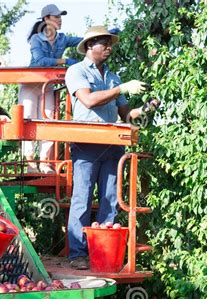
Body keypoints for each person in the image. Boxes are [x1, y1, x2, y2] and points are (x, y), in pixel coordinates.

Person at [65, 26, 147, 270]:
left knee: (110, 199)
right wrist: (120, 89)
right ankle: (77, 253)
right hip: (87, 143)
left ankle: (101, 252)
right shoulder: (76, 71)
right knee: (82, 198)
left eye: (111, 44)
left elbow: (126, 114)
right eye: (104, 43)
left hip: (112, 143)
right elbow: (88, 100)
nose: (109, 48)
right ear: (90, 46)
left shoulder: (113, 76)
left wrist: (145, 109)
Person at [19, 4, 82, 174]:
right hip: (32, 84)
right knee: (28, 120)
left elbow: (82, 41)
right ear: (46, 19)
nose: (60, 20)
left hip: (48, 85)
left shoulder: (62, 39)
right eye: (56, 17)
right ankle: (31, 163)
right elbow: (40, 61)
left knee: (49, 119)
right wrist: (63, 61)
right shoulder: (36, 39)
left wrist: (101, 37)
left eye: (61, 17)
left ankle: (45, 162)